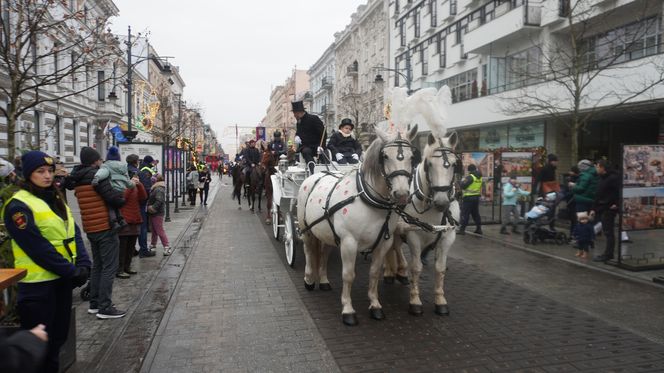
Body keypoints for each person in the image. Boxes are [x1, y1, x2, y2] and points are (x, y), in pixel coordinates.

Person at [3, 151, 91, 372]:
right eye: (40, 171)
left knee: (56, 343)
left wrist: (83, 263)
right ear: (28, 174)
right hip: (38, 288)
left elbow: (72, 231)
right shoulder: (18, 205)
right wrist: (71, 270)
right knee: (38, 349)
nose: (47, 176)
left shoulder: (55, 198)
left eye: (50, 171)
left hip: (61, 282)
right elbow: (37, 248)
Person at [64, 147, 126, 320]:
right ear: (95, 161)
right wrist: (124, 194)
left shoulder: (78, 176)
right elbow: (114, 199)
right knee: (109, 267)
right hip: (105, 226)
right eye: (99, 159)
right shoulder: (97, 176)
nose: (101, 162)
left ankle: (94, 303)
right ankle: (105, 307)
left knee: (98, 265)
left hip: (90, 226)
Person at [92, 146, 133, 231]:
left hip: (112, 189)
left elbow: (103, 173)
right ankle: (122, 220)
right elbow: (128, 182)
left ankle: (114, 222)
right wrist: (133, 184)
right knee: (117, 206)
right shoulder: (123, 166)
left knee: (110, 206)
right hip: (122, 191)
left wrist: (96, 178)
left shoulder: (107, 165)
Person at [116, 174, 147, 278]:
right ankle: (120, 269)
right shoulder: (122, 186)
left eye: (137, 177)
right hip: (125, 220)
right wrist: (130, 186)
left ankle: (127, 267)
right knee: (122, 247)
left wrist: (139, 185)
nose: (135, 179)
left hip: (135, 219)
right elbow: (123, 198)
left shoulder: (136, 187)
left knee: (131, 247)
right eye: (133, 178)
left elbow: (143, 197)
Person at [591, 159, 620, 262]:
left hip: (609, 208)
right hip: (602, 207)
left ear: (602, 168)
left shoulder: (613, 178)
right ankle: (608, 253)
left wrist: (616, 204)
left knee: (608, 232)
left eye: (597, 167)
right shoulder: (602, 178)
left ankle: (608, 254)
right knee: (606, 231)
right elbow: (599, 194)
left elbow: (618, 192)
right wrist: (594, 208)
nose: (596, 169)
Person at [292, 100, 326, 173]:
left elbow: (323, 133)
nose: (294, 116)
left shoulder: (313, 118)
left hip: (317, 145)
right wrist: (297, 136)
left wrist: (322, 146)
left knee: (324, 154)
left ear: (299, 112)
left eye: (295, 114)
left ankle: (326, 171)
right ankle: (313, 171)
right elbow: (298, 132)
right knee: (306, 151)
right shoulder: (298, 122)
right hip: (305, 146)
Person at [147, 174, 171, 255]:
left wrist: (153, 208)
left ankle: (167, 246)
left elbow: (159, 200)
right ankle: (153, 245)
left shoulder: (158, 189)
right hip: (154, 212)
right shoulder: (156, 188)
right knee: (154, 230)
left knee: (159, 230)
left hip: (157, 213)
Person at [137, 155, 157, 257]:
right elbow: (146, 187)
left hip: (141, 201)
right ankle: (143, 250)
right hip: (143, 202)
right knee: (143, 226)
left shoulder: (143, 168)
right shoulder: (145, 170)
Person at [458, 164, 483, 235]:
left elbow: (463, 186)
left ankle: (462, 230)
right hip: (476, 198)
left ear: (470, 170)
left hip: (468, 198)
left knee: (465, 213)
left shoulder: (470, 177)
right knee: (475, 214)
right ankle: (479, 229)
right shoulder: (479, 177)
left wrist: (460, 182)